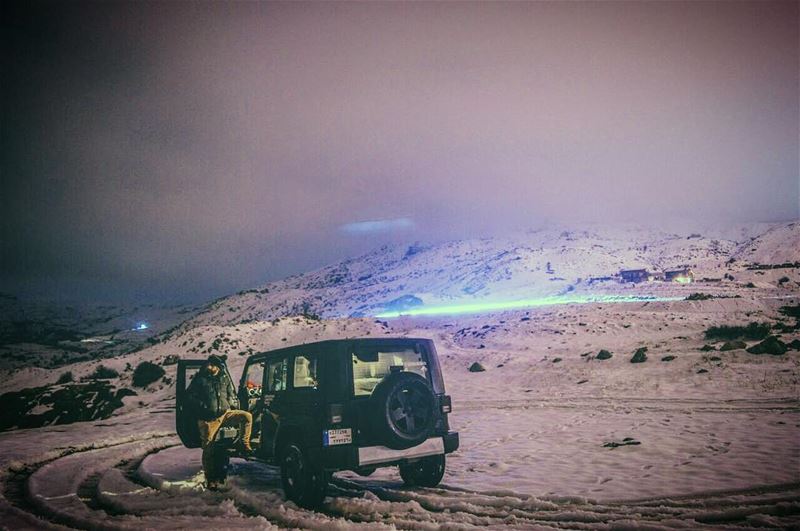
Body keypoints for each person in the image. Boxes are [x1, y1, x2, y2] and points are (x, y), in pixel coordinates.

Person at [187, 354, 254, 489]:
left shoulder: (224, 378)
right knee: (209, 448)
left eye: (210, 364)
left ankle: (243, 443)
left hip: (225, 414)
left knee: (246, 417)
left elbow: (230, 394)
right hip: (208, 418)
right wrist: (204, 409)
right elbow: (190, 397)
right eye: (208, 364)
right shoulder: (200, 379)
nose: (208, 366)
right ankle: (211, 479)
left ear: (216, 367)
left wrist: (231, 404)